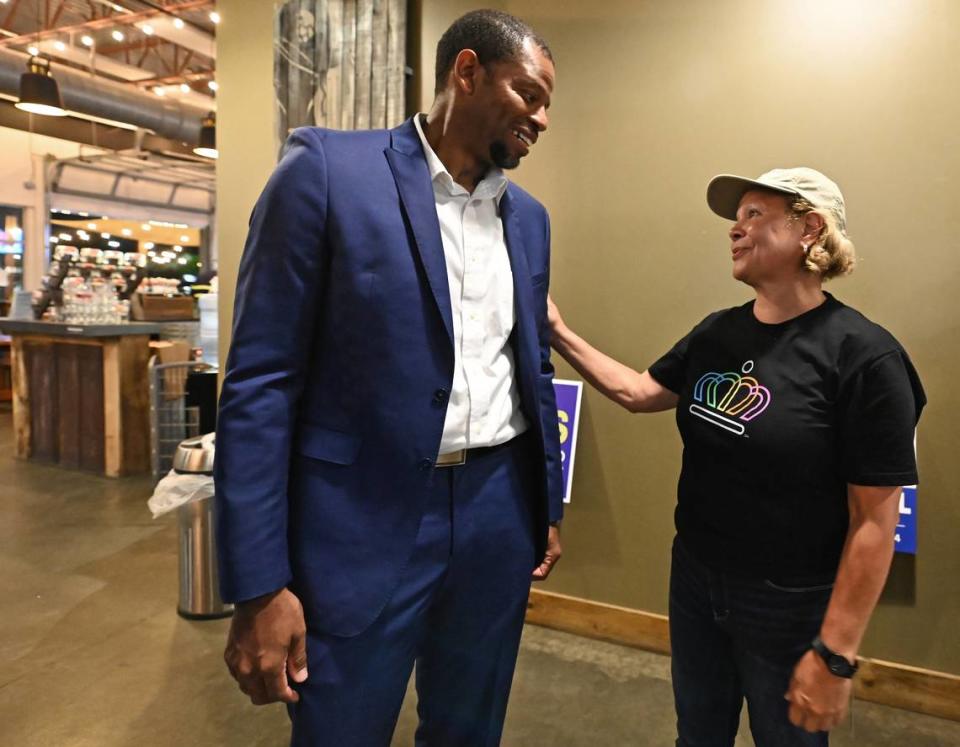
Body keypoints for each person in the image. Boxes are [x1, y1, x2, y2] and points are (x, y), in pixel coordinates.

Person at [214, 9, 564, 746]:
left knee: (470, 728)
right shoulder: (326, 171)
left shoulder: (528, 220)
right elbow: (260, 383)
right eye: (530, 95)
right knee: (341, 729)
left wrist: (544, 501)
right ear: (466, 72)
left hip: (498, 512)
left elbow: (530, 362)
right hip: (358, 519)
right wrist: (256, 582)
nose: (541, 118)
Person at [548, 167, 925, 746]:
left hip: (789, 602)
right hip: (696, 578)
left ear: (811, 230)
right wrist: (558, 332)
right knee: (698, 736)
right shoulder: (717, 333)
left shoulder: (866, 357)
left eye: (755, 214)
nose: (735, 229)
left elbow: (875, 519)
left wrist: (835, 655)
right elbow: (637, 392)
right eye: (735, 217)